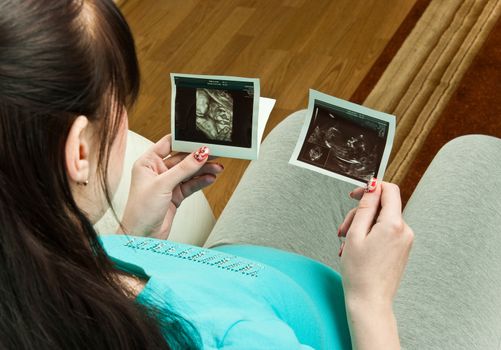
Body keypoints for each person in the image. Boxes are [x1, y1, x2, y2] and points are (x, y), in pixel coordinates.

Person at [2, 1, 501, 349]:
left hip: (242, 281)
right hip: (355, 322)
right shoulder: (225, 334)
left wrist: (135, 238)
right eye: (120, 105)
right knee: (479, 160)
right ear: (80, 152)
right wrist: (371, 303)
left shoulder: (36, 264)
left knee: (301, 129)